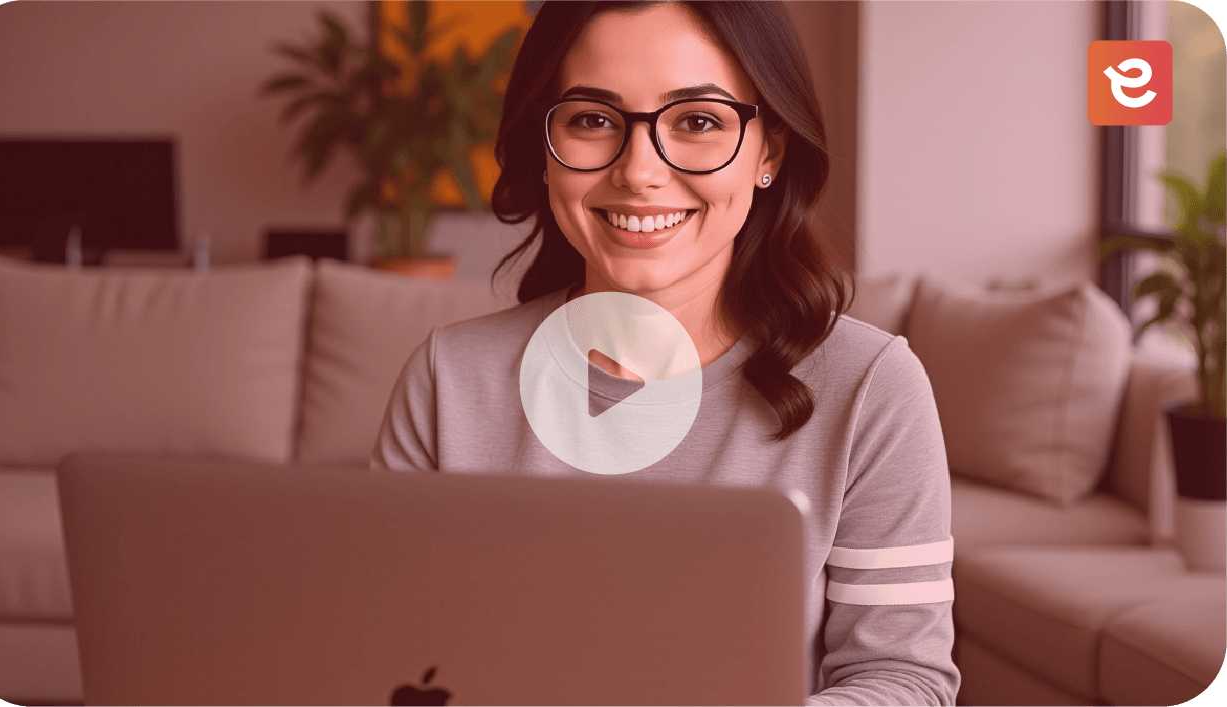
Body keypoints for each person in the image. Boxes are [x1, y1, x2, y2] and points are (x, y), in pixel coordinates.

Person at [371, 1, 960, 704]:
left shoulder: (869, 386)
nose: (639, 172)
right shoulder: (447, 378)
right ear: (543, 144)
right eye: (592, 119)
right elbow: (381, 651)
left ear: (767, 150)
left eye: (698, 122)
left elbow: (904, 679)